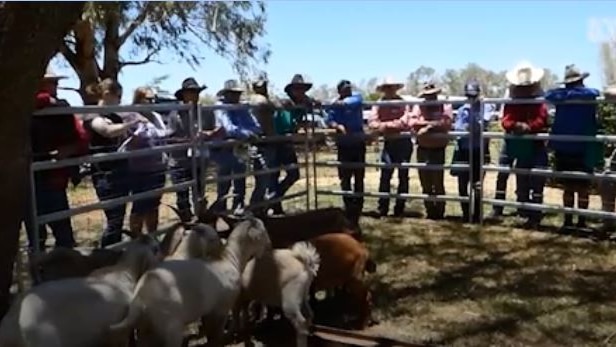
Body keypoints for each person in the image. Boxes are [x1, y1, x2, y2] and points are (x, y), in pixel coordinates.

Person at [26, 67, 88, 251]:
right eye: (51, 82)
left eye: (55, 82)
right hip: (29, 178)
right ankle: (40, 275)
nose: (56, 86)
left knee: (61, 233)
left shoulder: (60, 108)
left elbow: (81, 138)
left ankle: (63, 272)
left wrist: (68, 150)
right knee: (37, 236)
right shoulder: (24, 107)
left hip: (52, 178)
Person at [82, 78, 146, 247]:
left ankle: (114, 252)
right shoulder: (91, 113)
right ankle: (107, 253)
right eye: (118, 96)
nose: (119, 100)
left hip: (121, 169)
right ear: (107, 94)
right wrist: (132, 123)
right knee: (113, 218)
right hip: (104, 172)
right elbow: (106, 131)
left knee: (118, 217)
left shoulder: (115, 115)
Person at [545, 65, 601, 231]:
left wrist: (567, 93)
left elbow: (594, 93)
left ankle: (576, 221)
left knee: (576, 187)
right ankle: (573, 221)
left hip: (573, 146)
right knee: (574, 186)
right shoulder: (583, 95)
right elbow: (549, 94)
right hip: (575, 146)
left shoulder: (570, 95)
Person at [501, 62, 549, 229]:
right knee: (521, 176)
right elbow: (505, 119)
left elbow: (542, 118)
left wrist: (529, 127)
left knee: (537, 177)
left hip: (535, 142)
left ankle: (535, 211)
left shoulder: (539, 98)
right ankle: (523, 208)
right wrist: (516, 125)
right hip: (519, 142)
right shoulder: (512, 98)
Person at [120, 87, 171, 235]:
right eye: (148, 99)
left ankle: (152, 236)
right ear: (138, 99)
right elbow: (134, 140)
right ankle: (136, 238)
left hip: (158, 166)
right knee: (139, 205)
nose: (152, 101)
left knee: (154, 205)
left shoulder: (155, 116)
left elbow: (164, 134)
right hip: (140, 168)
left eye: (153, 98)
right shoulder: (131, 116)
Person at [211, 79, 262, 213]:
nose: (236, 96)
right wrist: (247, 133)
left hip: (240, 149)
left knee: (240, 180)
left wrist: (245, 133)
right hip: (224, 150)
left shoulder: (242, 108)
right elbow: (229, 128)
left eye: (237, 93)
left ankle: (237, 208)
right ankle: (221, 209)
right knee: (224, 181)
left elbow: (256, 127)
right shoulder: (221, 106)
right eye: (232, 93)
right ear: (226, 94)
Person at [368, 77, 412, 217]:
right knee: (385, 175)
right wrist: (392, 126)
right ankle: (383, 207)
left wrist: (384, 126)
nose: (390, 90)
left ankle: (400, 207)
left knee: (403, 175)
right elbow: (372, 122)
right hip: (389, 143)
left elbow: (405, 122)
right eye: (387, 87)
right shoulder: (379, 104)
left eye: (392, 87)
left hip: (403, 142)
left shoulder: (403, 103)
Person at [408, 81, 453, 220]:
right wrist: (434, 124)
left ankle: (440, 211)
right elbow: (412, 123)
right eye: (428, 95)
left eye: (433, 95)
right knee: (425, 182)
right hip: (423, 148)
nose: (430, 97)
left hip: (438, 149)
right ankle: (430, 211)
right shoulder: (419, 106)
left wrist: (427, 127)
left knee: (438, 182)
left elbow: (447, 121)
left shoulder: (444, 105)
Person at [271, 74, 315, 214]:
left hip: (287, 141)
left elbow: (296, 122)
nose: (300, 92)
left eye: (302, 89)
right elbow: (285, 114)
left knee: (293, 173)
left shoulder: (302, 104)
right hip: (275, 140)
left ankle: (274, 198)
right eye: (297, 89)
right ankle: (274, 204)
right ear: (291, 90)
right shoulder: (285, 102)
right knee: (274, 175)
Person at [325, 80, 365, 226]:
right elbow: (329, 119)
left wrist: (333, 103)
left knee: (359, 176)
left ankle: (358, 206)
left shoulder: (356, 97)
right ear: (339, 90)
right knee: (345, 177)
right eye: (344, 89)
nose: (348, 90)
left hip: (358, 142)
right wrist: (336, 125)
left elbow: (350, 103)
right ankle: (348, 205)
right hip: (344, 145)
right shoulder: (335, 105)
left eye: (349, 88)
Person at [451, 81, 492, 223]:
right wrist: (467, 128)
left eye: (473, 95)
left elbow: (483, 123)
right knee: (462, 185)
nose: (471, 98)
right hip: (464, 149)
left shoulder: (485, 107)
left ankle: (477, 215)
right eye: (469, 95)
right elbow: (458, 128)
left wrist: (473, 125)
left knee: (478, 184)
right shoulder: (462, 109)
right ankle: (466, 213)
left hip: (479, 150)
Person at [168, 77, 207, 221]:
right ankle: (186, 223)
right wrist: (187, 141)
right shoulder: (175, 114)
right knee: (182, 195)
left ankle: (200, 220)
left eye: (196, 92)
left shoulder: (203, 111)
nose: (195, 95)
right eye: (191, 92)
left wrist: (208, 134)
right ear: (184, 94)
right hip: (179, 161)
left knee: (200, 192)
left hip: (198, 160)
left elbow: (210, 130)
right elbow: (168, 137)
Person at [248, 76, 278, 210]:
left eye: (264, 85)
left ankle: (260, 207)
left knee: (265, 178)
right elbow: (273, 107)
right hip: (261, 142)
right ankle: (255, 208)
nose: (263, 88)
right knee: (263, 179)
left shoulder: (257, 99)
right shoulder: (259, 99)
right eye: (260, 86)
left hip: (265, 141)